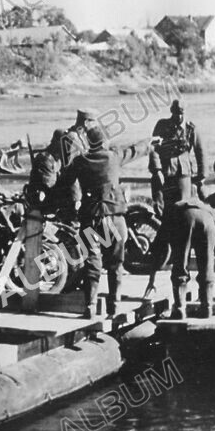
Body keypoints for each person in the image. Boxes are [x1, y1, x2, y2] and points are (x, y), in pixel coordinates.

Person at [56, 127, 152, 319]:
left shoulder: (80, 161)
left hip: (91, 218)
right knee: (116, 262)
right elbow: (133, 151)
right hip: (114, 217)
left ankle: (89, 306)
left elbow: (64, 182)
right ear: (104, 142)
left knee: (92, 260)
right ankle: (113, 307)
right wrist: (150, 143)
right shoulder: (113, 157)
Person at [144, 198, 215, 319]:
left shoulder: (172, 210)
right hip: (209, 220)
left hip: (185, 219)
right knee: (207, 267)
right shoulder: (203, 204)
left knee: (180, 264)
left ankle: (180, 310)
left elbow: (159, 246)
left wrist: (151, 279)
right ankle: (207, 308)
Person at [148, 99, 205, 217]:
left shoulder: (191, 128)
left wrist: (202, 175)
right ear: (171, 112)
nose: (179, 117)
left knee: (184, 207)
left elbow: (200, 151)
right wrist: (157, 170)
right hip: (165, 172)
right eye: (176, 113)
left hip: (184, 173)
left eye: (181, 114)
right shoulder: (162, 125)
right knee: (165, 208)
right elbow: (153, 148)